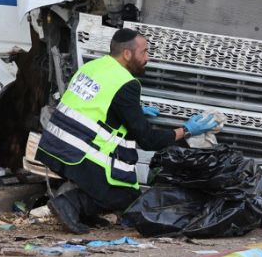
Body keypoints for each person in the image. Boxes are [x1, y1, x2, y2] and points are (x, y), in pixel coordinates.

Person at [35, 28, 219, 234]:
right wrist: (187, 130)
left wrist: (134, 111)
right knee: (126, 194)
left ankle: (84, 214)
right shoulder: (127, 83)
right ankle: (69, 204)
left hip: (54, 144)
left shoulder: (93, 66)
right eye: (144, 52)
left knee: (106, 182)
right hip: (77, 153)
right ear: (127, 54)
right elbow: (148, 140)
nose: (147, 58)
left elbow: (94, 104)